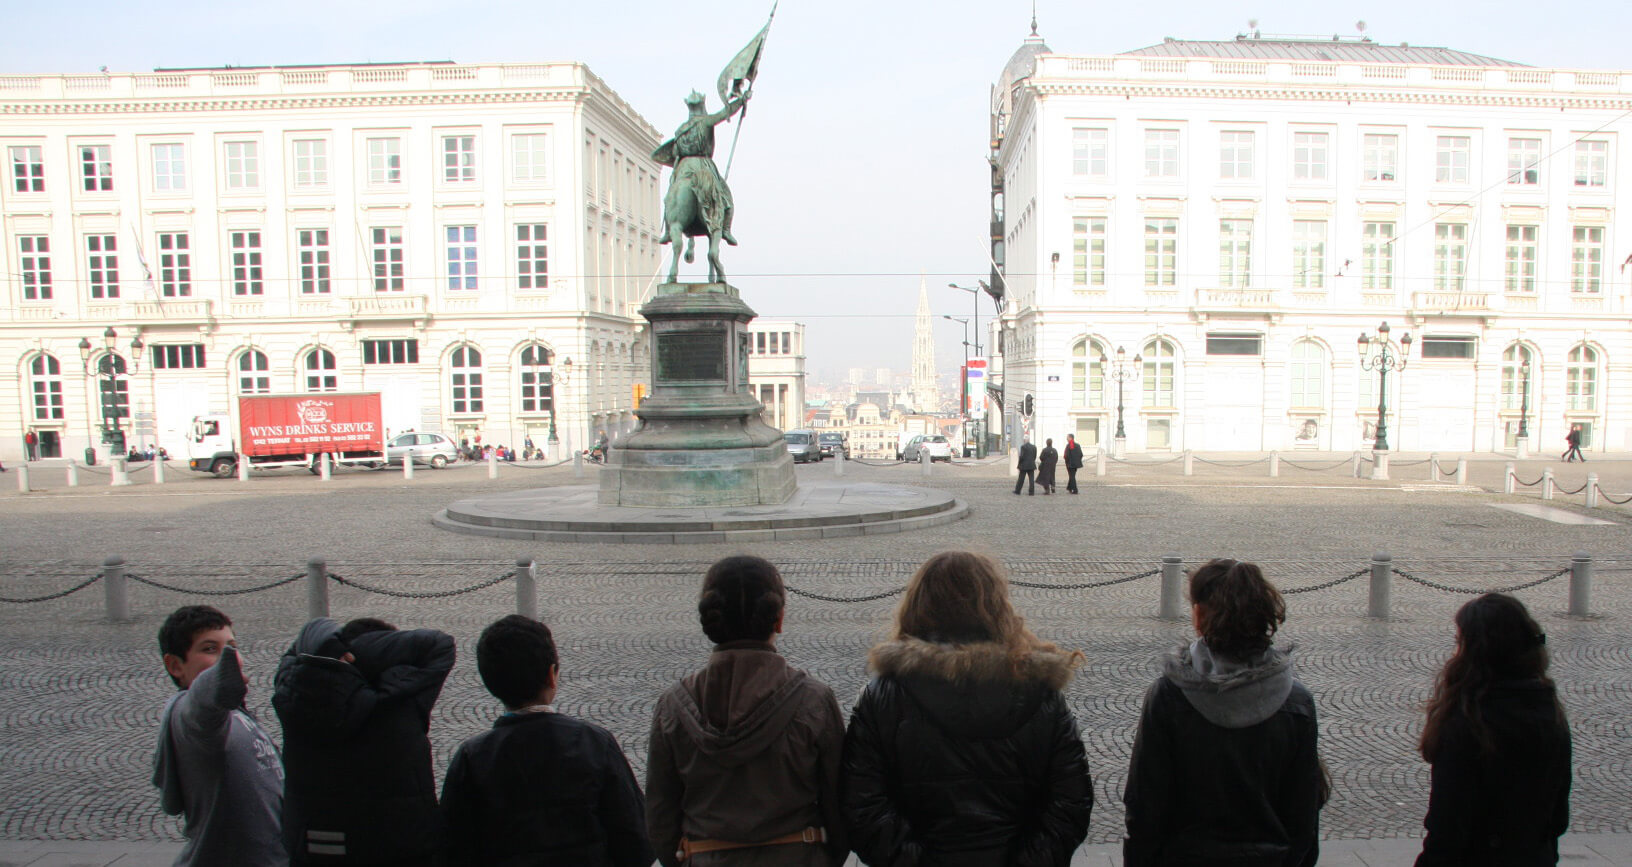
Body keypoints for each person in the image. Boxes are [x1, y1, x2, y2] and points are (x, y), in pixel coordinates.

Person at [843, 551, 1092, 864]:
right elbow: (1070, 803)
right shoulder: (1042, 694)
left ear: (918, 605)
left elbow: (863, 808)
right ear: (996, 606)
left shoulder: (883, 695)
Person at [646, 556, 848, 867]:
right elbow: (840, 804)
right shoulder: (814, 701)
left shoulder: (672, 706)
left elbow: (660, 816)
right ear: (779, 619)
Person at [1123, 559, 1325, 867]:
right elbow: (1304, 811)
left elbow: (1145, 805)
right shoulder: (1296, 702)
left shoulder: (1169, 697)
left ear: (1200, 615)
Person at [441, 615, 652, 867]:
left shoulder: (472, 759)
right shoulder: (594, 744)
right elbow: (634, 838)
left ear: (489, 682)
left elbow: (453, 848)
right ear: (552, 675)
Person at [273, 617, 455, 866]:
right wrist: (359, 654)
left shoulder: (296, 696)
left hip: (313, 847)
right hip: (398, 846)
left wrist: (336, 652)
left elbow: (308, 635)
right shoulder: (399, 699)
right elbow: (439, 644)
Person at [1415, 593, 1571, 866]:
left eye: (1459, 642)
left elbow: (1448, 827)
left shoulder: (1467, 725)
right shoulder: (1550, 711)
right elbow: (1557, 817)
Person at [151, 605, 287, 867]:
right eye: (209, 649)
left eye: (232, 647)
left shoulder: (236, 713)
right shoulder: (189, 716)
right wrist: (222, 674)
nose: (231, 658)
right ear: (175, 665)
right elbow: (203, 701)